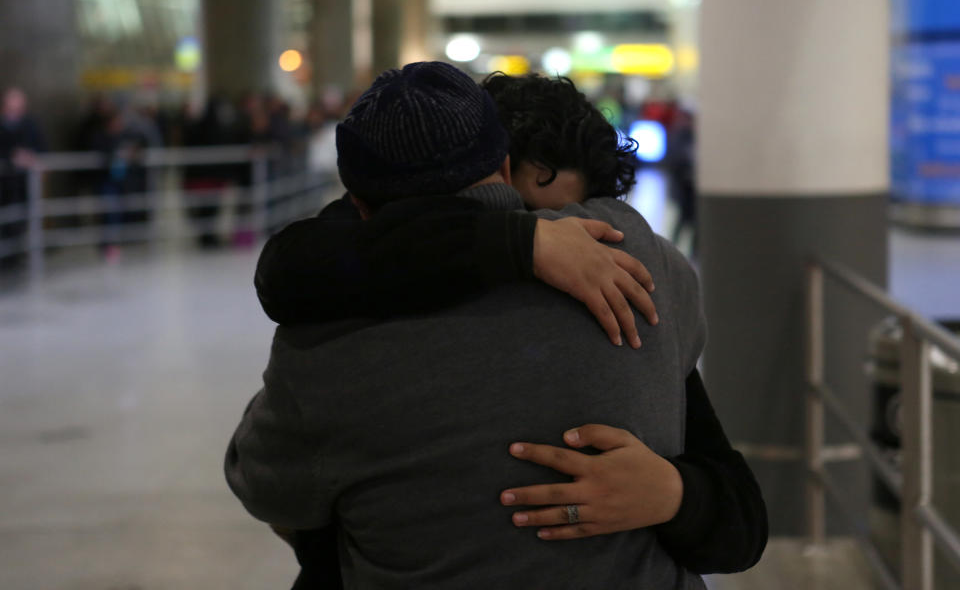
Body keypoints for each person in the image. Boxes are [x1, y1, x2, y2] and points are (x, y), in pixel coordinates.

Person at [227, 63, 759, 588]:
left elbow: (267, 490)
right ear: (504, 168)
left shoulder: (325, 328)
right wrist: (518, 242)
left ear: (357, 200)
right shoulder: (638, 262)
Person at [0, 88, 46, 268]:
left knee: (21, 219)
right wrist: (13, 156)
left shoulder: (31, 124)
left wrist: (31, 157)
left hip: (23, 184)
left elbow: (42, 147)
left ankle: (15, 255)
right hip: (5, 184)